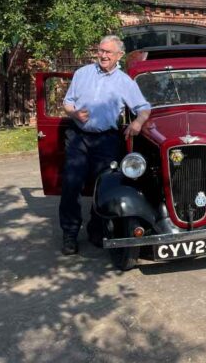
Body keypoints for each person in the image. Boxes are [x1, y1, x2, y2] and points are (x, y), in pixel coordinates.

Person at [59, 35, 151, 256]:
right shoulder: (82, 74)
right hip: (78, 137)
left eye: (109, 52)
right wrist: (73, 113)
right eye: (101, 50)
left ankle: (96, 230)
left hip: (106, 140)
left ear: (119, 55)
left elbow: (144, 107)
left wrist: (138, 123)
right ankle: (70, 234)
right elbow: (67, 102)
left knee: (104, 188)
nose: (103, 55)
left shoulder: (124, 81)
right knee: (71, 185)